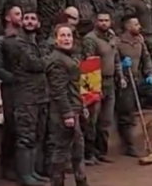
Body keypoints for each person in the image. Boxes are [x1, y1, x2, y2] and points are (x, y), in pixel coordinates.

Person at [3, 10, 49, 185]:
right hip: (26, 96)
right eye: (26, 18)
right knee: (25, 136)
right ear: (21, 22)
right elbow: (36, 64)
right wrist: (47, 58)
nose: (29, 22)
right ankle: (25, 175)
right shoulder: (18, 43)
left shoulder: (39, 42)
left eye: (33, 19)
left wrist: (45, 57)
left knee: (37, 135)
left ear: (38, 23)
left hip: (41, 95)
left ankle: (32, 171)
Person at [82, 11, 126, 163]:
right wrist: (94, 86)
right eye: (101, 20)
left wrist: (120, 76)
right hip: (95, 82)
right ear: (96, 22)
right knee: (92, 119)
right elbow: (89, 63)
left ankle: (101, 151)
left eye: (106, 20)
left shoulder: (112, 38)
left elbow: (116, 59)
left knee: (106, 120)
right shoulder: (90, 39)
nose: (104, 23)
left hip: (110, 81)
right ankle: (89, 153)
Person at [46, 24, 87, 186]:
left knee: (77, 148)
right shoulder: (57, 60)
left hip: (72, 108)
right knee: (61, 150)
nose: (66, 39)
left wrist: (81, 106)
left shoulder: (67, 57)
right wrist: (68, 114)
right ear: (55, 40)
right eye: (62, 36)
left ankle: (81, 181)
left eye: (69, 35)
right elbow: (58, 90)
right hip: (63, 111)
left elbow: (73, 87)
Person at [116, 15, 152, 156]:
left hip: (138, 78)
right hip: (125, 80)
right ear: (128, 27)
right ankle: (129, 146)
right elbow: (113, 60)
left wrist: (149, 73)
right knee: (126, 113)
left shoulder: (140, 41)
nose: (140, 27)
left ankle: (138, 103)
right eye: (136, 24)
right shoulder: (118, 42)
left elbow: (146, 58)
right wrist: (121, 67)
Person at [0, 4, 22, 181]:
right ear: (8, 18)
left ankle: (23, 166)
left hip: (27, 89)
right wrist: (16, 78)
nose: (22, 17)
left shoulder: (25, 39)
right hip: (10, 88)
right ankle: (6, 165)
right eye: (17, 14)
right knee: (11, 125)